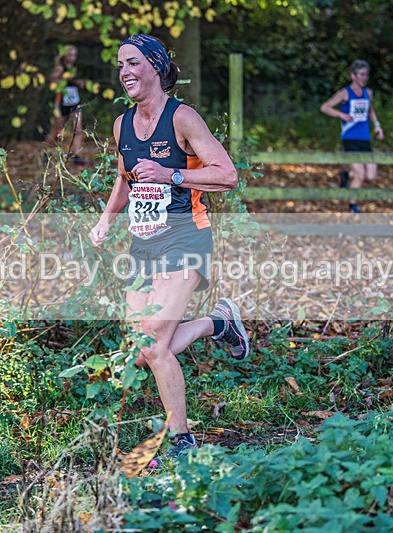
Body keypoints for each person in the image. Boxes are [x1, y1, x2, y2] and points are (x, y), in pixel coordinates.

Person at [88, 34, 250, 464]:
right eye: (121, 64)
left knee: (156, 341)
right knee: (140, 349)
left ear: (156, 67)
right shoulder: (123, 124)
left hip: (186, 233)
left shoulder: (182, 118)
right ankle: (219, 323)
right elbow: (126, 178)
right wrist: (106, 218)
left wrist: (171, 175)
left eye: (134, 63)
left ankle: (181, 443)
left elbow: (227, 175)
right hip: (144, 241)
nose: (125, 71)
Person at [320, 59, 384, 213]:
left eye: (366, 75)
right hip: (349, 138)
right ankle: (353, 206)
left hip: (365, 139)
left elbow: (370, 110)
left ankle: (346, 175)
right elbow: (325, 107)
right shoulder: (344, 93)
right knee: (360, 175)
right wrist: (341, 114)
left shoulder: (368, 93)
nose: (364, 78)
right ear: (353, 76)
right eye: (361, 75)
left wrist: (377, 126)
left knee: (371, 176)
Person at [44, 45, 86, 165]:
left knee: (78, 129)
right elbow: (52, 83)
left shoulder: (74, 69)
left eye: (74, 55)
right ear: (64, 55)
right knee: (56, 130)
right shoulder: (60, 68)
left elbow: (76, 83)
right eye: (70, 55)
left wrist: (80, 83)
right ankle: (47, 152)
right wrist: (63, 78)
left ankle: (77, 155)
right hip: (61, 102)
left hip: (74, 102)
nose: (73, 57)